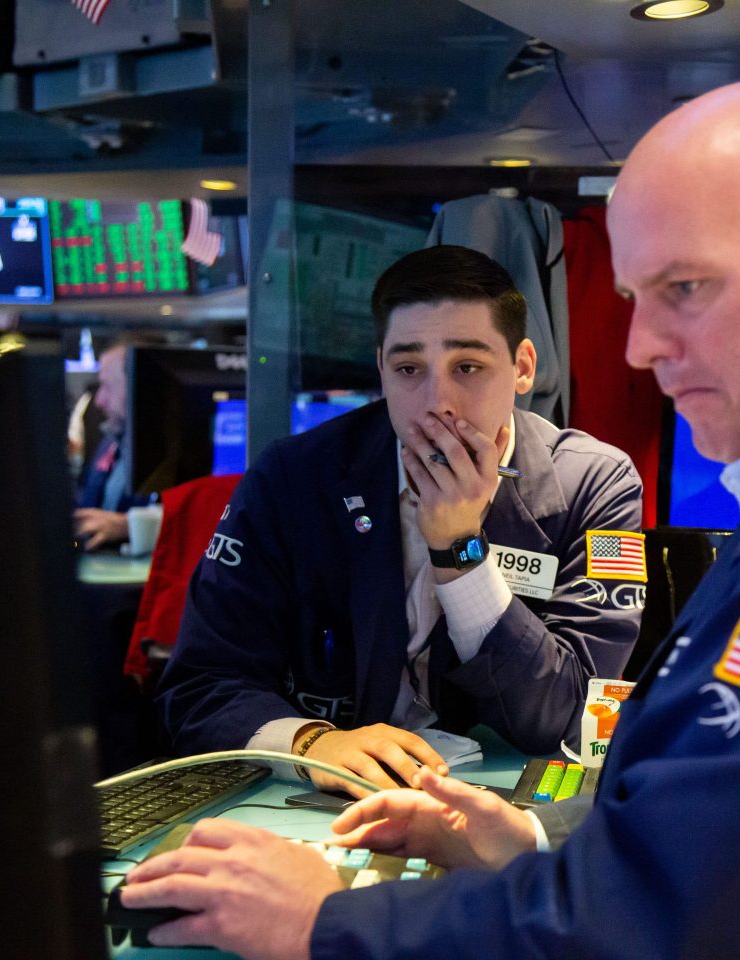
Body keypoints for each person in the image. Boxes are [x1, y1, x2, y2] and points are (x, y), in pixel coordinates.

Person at [119, 82, 740, 959]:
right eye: (634, 299)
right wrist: (535, 833)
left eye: (685, 288)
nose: (646, 347)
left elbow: (663, 916)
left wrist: (327, 921)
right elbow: (736, 835)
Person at [156, 244, 645, 796]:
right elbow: (201, 686)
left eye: (468, 367)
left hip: (512, 809)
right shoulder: (292, 478)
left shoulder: (596, 484)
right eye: (409, 368)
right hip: (325, 799)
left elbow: (572, 716)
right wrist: (312, 743)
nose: (439, 401)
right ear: (381, 370)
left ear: (524, 368)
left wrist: (459, 550)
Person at [74, 340, 139, 550]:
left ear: (135, 386)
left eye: (107, 386)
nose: (99, 401)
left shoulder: (178, 453)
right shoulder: (111, 440)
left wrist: (129, 526)